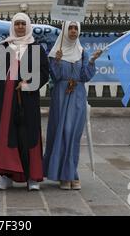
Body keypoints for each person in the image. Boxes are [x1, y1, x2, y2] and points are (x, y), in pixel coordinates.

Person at [0, 13, 49, 191]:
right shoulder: (4, 46)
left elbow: (44, 73)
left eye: (23, 24)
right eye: (16, 24)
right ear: (12, 26)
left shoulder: (37, 49)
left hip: (28, 99)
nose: (19, 27)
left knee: (28, 135)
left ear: (28, 26)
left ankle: (32, 177)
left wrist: (29, 83)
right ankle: (5, 176)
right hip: (5, 98)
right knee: (4, 133)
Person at [43, 21, 102, 190]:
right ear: (65, 30)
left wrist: (91, 62)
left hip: (77, 96)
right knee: (60, 133)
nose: (74, 31)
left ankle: (71, 173)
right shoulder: (56, 52)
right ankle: (62, 175)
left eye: (76, 28)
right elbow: (54, 77)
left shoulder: (83, 52)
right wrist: (56, 61)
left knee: (73, 134)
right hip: (61, 96)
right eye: (70, 27)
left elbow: (84, 76)